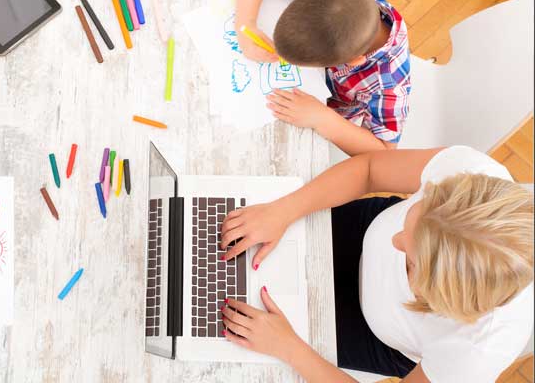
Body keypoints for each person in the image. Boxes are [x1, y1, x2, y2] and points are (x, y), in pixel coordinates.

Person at [219, 146, 534, 382]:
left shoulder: (476, 353)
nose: (395, 244)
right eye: (411, 219)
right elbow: (369, 169)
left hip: (375, 334)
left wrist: (289, 348)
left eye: (410, 264)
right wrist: (284, 210)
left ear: (445, 303)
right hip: (362, 227)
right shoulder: (470, 173)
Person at [236, 0, 411, 155]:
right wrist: (246, 23)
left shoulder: (390, 83)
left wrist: (321, 118)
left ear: (353, 61)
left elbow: (384, 151)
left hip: (327, 114)